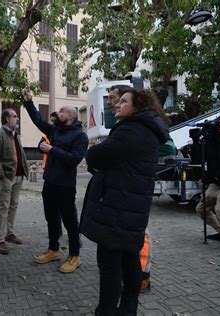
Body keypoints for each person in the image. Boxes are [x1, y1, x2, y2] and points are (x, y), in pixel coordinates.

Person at [81, 88, 169, 315]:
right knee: (130, 262)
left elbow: (95, 156)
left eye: (123, 101)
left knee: (110, 268)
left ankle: (106, 311)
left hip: (118, 209)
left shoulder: (131, 130)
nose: (117, 105)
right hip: (133, 209)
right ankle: (129, 309)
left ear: (137, 106)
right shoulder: (148, 130)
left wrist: (94, 155)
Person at [22, 88, 89, 274]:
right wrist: (28, 102)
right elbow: (38, 121)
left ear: (69, 115)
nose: (57, 114)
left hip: (66, 186)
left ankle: (75, 256)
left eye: (60, 111)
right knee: (51, 218)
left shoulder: (80, 136)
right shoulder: (55, 130)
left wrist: (52, 150)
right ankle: (54, 250)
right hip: (50, 183)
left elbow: (74, 159)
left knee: (70, 221)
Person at [108, 84, 154, 293]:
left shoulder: (138, 129)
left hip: (132, 196)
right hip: (123, 195)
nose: (112, 103)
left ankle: (143, 276)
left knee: (139, 238)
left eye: (116, 99)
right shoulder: (123, 126)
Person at [195, 114, 220, 255]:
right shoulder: (214, 139)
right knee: (201, 208)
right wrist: (200, 139)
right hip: (219, 181)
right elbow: (206, 158)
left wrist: (215, 177)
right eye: (219, 122)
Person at [0, 108, 29, 255]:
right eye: (14, 116)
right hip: (6, 177)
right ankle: (0, 240)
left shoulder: (15, 135)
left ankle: (9, 233)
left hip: (18, 176)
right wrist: (2, 175)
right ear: (7, 119)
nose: (17, 119)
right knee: (4, 207)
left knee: (13, 206)